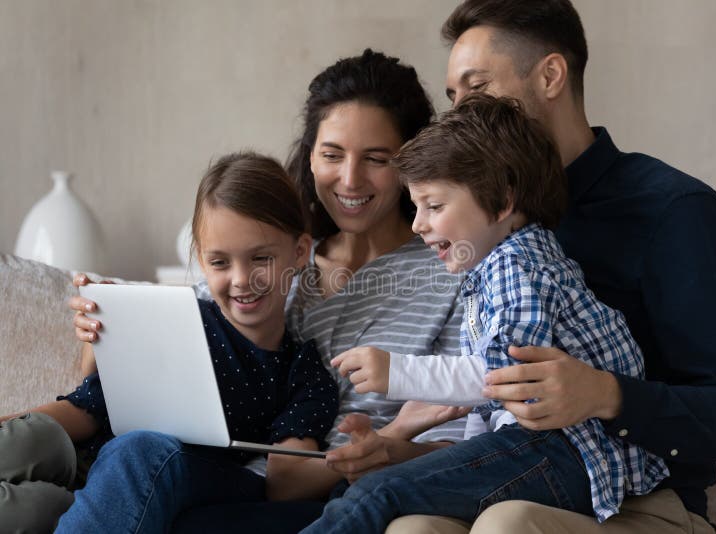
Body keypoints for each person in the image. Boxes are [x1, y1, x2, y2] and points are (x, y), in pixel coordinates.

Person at [387, 1, 716, 533]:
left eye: (476, 89)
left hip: (642, 503)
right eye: (453, 98)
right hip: (515, 476)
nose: (461, 115)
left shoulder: (675, 211)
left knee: (508, 525)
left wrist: (606, 394)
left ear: (550, 76)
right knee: (411, 528)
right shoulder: (475, 225)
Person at [70, 49, 468, 533]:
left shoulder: (449, 275)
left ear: (410, 163)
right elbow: (185, 344)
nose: (349, 179)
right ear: (310, 156)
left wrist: (391, 446)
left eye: (377, 159)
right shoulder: (274, 253)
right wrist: (108, 329)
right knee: (133, 459)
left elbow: (463, 439)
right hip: (218, 476)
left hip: (340, 498)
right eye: (331, 155)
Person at [302, 94, 668, 534]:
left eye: (434, 206)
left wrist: (396, 371)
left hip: (564, 453)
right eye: (416, 207)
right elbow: (490, 411)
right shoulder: (491, 271)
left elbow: (501, 376)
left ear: (502, 202)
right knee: (365, 493)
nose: (418, 224)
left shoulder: (519, 265)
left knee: (377, 494)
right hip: (536, 450)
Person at [51, 151, 340, 532]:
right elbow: (91, 397)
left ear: (300, 252)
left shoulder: (303, 370)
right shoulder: (178, 321)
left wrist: (380, 446)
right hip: (98, 470)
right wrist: (100, 333)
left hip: (195, 477)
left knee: (142, 453)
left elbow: (286, 475)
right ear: (202, 262)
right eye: (220, 263)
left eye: (260, 258)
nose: (240, 279)